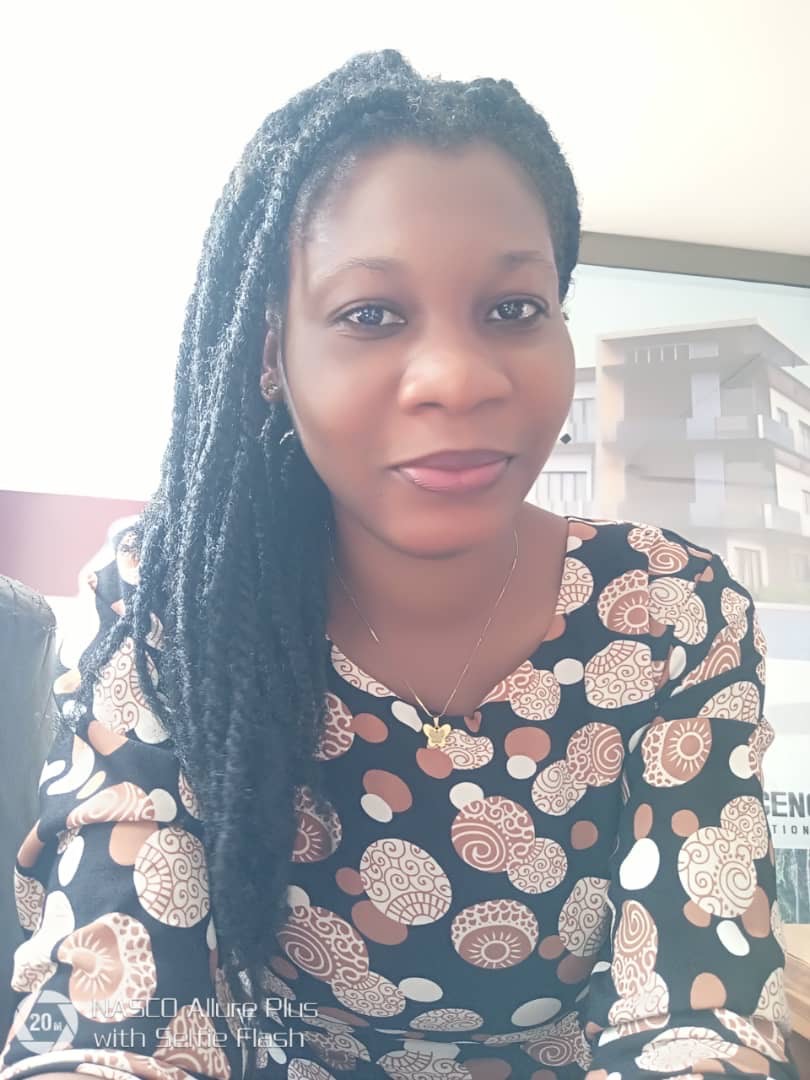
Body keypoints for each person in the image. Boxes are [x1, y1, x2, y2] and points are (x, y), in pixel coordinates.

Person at [0, 49, 796, 1080]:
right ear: (272, 357)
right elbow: (115, 1011)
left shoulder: (668, 615)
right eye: (370, 315)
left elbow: (696, 1015)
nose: (457, 379)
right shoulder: (172, 604)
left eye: (513, 309)